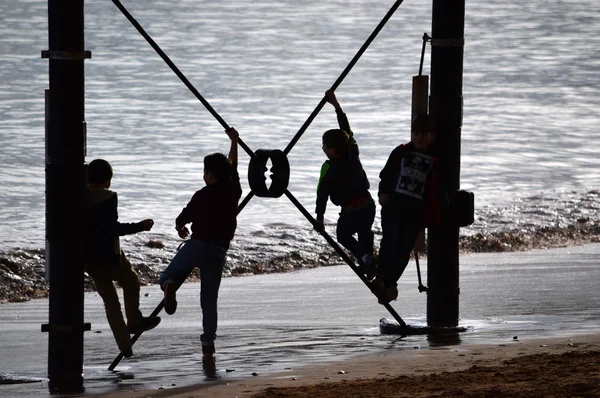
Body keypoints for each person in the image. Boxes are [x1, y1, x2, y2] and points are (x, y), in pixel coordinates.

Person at [159, 127, 242, 357]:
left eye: (205, 172)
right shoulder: (233, 191)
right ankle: (208, 343)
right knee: (209, 300)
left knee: (167, 276)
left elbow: (182, 218)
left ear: (210, 176)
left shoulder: (201, 195)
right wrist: (234, 142)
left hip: (196, 245)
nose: (204, 175)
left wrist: (180, 227)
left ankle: (169, 286)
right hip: (218, 250)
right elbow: (233, 167)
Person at [84, 159, 161, 358]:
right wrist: (140, 226)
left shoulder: (78, 195)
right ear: (107, 180)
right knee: (131, 281)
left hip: (88, 259)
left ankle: (124, 345)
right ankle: (134, 321)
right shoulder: (109, 197)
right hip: (110, 255)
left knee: (110, 302)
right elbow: (112, 228)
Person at [371, 113, 444, 304]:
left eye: (423, 134)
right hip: (394, 205)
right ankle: (381, 277)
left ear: (432, 136)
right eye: (415, 133)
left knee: (404, 249)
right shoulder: (401, 151)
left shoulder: (436, 158)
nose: (419, 138)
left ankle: (390, 283)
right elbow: (385, 175)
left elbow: (439, 186)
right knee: (390, 241)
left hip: (416, 210)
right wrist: (382, 193)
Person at [315, 90, 377, 278]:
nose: (322, 148)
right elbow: (346, 131)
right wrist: (336, 106)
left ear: (332, 150)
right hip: (368, 205)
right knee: (365, 232)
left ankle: (366, 259)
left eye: (324, 146)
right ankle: (369, 261)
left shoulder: (329, 168)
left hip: (351, 210)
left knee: (343, 236)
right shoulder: (353, 153)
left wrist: (319, 217)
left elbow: (322, 193)